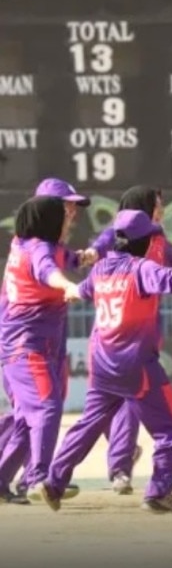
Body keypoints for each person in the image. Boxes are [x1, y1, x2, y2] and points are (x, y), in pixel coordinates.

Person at [29, 210, 172, 513]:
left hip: (102, 364)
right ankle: (159, 492)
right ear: (144, 241)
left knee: (89, 424)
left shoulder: (102, 269)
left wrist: (66, 290)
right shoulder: (141, 268)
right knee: (169, 429)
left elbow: (79, 292)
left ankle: (53, 482)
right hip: (136, 364)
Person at [84, 185, 172, 496]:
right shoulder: (120, 235)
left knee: (130, 403)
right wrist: (89, 253)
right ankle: (119, 460)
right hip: (110, 334)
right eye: (157, 205)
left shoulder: (159, 241)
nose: (162, 211)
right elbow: (101, 245)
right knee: (101, 411)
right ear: (142, 208)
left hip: (142, 335)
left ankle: (120, 469)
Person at [0, 179, 91, 501]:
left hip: (41, 343)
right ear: (46, 211)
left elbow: (63, 258)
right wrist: (66, 286)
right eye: (66, 207)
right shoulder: (38, 248)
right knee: (43, 409)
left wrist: (85, 258)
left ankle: (16, 480)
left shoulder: (31, 243)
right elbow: (47, 271)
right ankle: (39, 478)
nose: (72, 214)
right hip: (26, 345)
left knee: (27, 417)